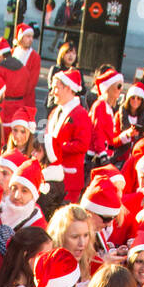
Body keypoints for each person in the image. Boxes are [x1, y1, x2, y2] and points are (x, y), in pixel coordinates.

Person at [47, 68, 92, 204]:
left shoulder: (81, 114)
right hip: (54, 174)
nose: (53, 92)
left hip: (69, 179)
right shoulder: (55, 111)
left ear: (68, 88)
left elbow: (82, 144)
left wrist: (57, 147)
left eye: (56, 88)